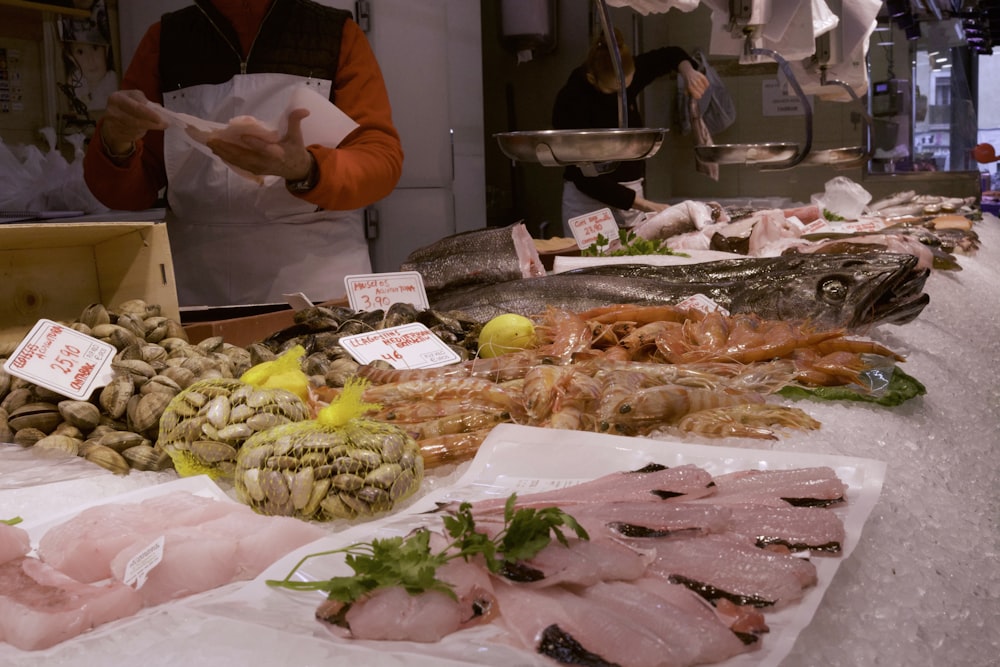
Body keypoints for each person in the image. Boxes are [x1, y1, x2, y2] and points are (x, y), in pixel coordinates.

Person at [84, 0, 403, 307]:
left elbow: (380, 160)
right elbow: (127, 193)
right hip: (195, 280)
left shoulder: (338, 34)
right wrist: (116, 142)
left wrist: (307, 168)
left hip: (316, 278)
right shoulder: (164, 38)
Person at [552, 28, 708, 229]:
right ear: (592, 79)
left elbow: (672, 54)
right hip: (587, 201)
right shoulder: (572, 100)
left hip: (631, 194)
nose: (622, 94)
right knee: (587, 260)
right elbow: (584, 177)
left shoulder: (625, 74)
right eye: (614, 90)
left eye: (627, 86)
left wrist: (689, 72)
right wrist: (645, 205)